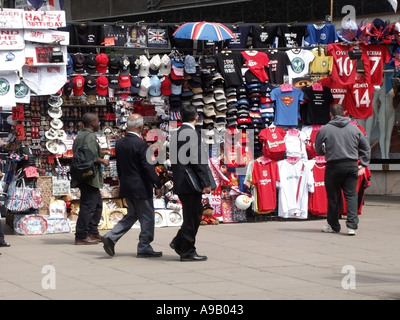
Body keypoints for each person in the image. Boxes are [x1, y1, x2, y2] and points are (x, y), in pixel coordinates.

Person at [100, 114, 163, 258]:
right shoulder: (140, 144)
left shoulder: (120, 143)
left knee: (133, 214)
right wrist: (157, 184)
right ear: (141, 127)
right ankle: (144, 246)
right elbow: (148, 167)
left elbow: (120, 167)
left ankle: (111, 236)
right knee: (147, 216)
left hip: (127, 185)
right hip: (141, 187)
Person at [315, 104, 371, 236]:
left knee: (333, 197)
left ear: (331, 114)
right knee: (351, 196)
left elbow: (318, 149)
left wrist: (326, 149)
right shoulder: (354, 128)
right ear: (344, 113)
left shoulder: (325, 129)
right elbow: (366, 148)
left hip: (333, 166)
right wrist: (363, 163)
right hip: (351, 165)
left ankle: (334, 225)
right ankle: (352, 227)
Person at [169, 105, 211, 261]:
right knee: (192, 217)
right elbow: (198, 161)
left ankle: (179, 242)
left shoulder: (176, 134)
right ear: (196, 117)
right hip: (191, 182)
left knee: (193, 214)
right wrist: (206, 182)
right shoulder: (191, 134)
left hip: (181, 180)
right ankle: (187, 250)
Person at [71, 112, 110, 245]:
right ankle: (81, 235)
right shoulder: (90, 137)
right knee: (88, 206)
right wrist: (102, 160)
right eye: (98, 121)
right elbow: (91, 158)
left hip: (84, 176)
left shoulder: (80, 136)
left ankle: (92, 231)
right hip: (89, 177)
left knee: (97, 204)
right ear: (92, 123)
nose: (99, 123)